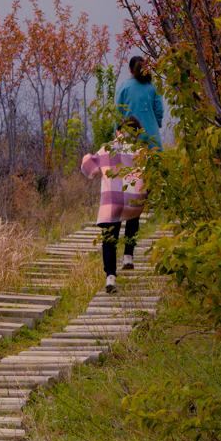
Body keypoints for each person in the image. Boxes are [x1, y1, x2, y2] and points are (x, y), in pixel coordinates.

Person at [81, 116, 147, 292]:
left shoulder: (106, 149)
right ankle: (128, 256)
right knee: (134, 214)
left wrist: (89, 158)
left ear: (118, 132)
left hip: (112, 201)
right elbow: (150, 177)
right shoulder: (140, 152)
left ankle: (110, 277)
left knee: (109, 238)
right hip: (134, 202)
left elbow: (89, 167)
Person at [115, 55, 164, 149]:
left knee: (131, 162)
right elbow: (159, 110)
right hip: (151, 136)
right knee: (155, 161)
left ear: (130, 70)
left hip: (130, 137)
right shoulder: (152, 87)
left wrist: (117, 132)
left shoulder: (123, 87)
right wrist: (155, 124)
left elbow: (118, 112)